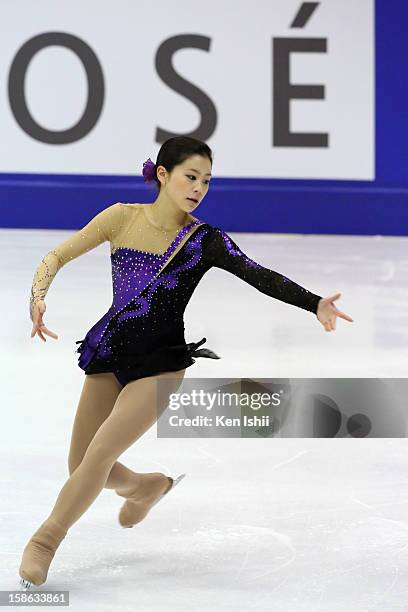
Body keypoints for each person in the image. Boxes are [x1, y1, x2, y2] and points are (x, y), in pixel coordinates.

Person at [19, 136, 353, 589]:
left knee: (98, 456)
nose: (199, 188)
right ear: (163, 174)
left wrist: (314, 303)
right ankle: (144, 487)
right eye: (190, 177)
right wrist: (38, 299)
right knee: (81, 466)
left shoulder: (204, 241)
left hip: (159, 363)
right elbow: (56, 255)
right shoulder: (122, 217)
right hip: (110, 353)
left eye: (207, 181)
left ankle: (44, 542)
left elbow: (260, 275)